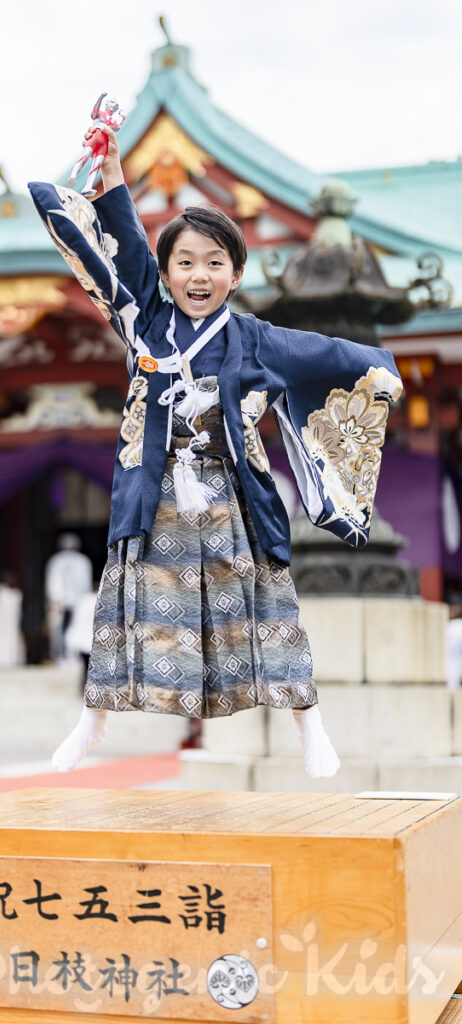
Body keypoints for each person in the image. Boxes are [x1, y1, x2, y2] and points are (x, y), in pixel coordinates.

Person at [28, 124, 402, 778]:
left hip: (233, 498)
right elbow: (126, 243)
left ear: (236, 272)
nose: (199, 274)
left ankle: (309, 723)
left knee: (269, 608)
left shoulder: (258, 340)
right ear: (166, 273)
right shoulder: (146, 319)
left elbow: (330, 356)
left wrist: (380, 370)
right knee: (124, 605)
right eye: (185, 262)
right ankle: (92, 721)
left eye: (214, 262)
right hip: (153, 494)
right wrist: (111, 171)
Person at [45, 534, 93, 662]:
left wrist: (51, 600)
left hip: (60, 600)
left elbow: (50, 583)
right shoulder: (83, 561)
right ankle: (71, 655)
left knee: (60, 628)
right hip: (76, 600)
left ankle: (60, 656)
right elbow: (86, 583)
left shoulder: (55, 560)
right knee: (73, 627)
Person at [0, 571, 25, 669]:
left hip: (11, 625)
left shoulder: (17, 595)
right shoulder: (0, 591)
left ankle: (10, 659)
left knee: (10, 642)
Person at [65, 582, 99, 693]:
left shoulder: (83, 601)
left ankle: (84, 688)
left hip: (83, 640)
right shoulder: (99, 601)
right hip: (93, 640)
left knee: (85, 667)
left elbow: (75, 620)